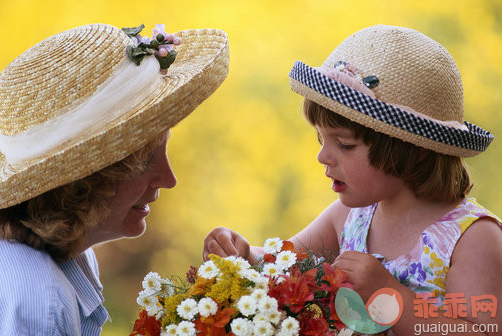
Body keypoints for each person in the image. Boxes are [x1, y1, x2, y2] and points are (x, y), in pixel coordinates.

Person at [203, 25, 502, 334]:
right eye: (321, 140)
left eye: (344, 145)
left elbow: (483, 330)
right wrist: (246, 255)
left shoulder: (471, 238)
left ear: (415, 151)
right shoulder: (351, 217)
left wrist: (389, 296)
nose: (323, 157)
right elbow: (284, 265)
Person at [0, 23, 229, 335]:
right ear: (82, 184)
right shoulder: (38, 303)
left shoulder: (66, 256)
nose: (169, 179)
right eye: (144, 160)